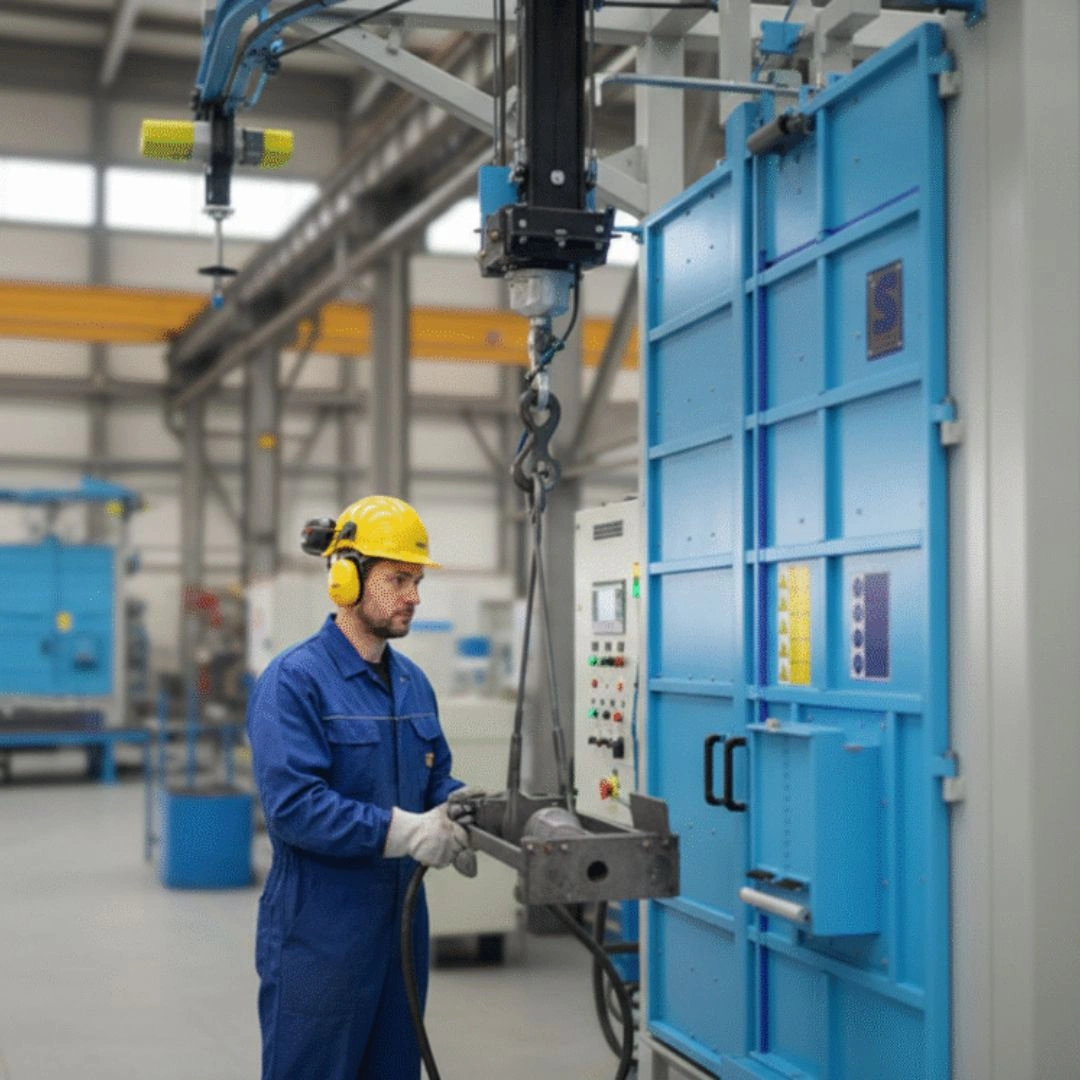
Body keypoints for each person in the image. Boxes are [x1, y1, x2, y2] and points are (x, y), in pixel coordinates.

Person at [247, 495, 472, 1080]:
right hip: (320, 935)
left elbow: (436, 778)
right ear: (346, 578)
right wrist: (407, 832)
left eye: (416, 580)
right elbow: (295, 808)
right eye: (399, 578)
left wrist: (464, 814)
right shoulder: (294, 683)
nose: (413, 596)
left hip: (399, 931)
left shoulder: (413, 684)